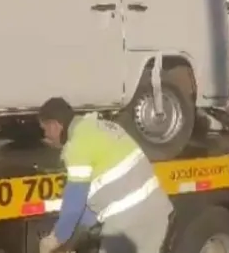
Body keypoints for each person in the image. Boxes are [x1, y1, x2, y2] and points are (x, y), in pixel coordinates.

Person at [36, 97, 173, 253]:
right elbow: (88, 212)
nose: (46, 136)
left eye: (45, 129)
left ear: (55, 125)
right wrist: (71, 241)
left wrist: (55, 239)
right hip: (156, 214)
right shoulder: (103, 127)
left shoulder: (77, 146)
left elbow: (74, 206)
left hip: (127, 223)